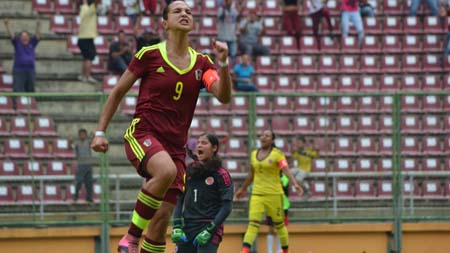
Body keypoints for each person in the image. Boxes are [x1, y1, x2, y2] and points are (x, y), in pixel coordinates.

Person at [90, 1, 232, 253]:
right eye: (177, 11)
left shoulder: (202, 63)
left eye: (188, 11)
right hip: (143, 133)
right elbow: (117, 92)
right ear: (165, 23)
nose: (185, 13)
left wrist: (223, 65)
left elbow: (222, 95)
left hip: (175, 148)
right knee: (165, 171)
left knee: (161, 220)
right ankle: (131, 237)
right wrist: (100, 132)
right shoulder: (149, 54)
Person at [234, 130, 302, 253]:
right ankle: (244, 251)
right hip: (257, 194)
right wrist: (242, 189)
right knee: (253, 223)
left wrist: (295, 184)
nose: (263, 137)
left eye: (267, 135)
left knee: (279, 225)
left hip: (274, 194)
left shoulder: (278, 154)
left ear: (272, 140)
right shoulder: (254, 154)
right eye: (261, 135)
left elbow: (286, 170)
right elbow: (251, 174)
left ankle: (285, 250)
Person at [171, 133, 234, 253]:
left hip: (209, 226)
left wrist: (211, 229)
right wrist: (177, 226)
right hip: (187, 227)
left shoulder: (221, 174)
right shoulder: (188, 171)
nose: (199, 145)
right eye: (198, 143)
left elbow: (227, 207)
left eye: (204, 143)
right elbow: (179, 200)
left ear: (214, 148)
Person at [3, 17, 40, 92]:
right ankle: (16, 104)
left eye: (26, 36)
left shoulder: (32, 43)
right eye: (22, 36)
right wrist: (7, 25)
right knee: (17, 90)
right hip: (18, 71)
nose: (24, 38)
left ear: (29, 38)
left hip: (30, 71)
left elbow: (37, 36)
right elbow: (12, 35)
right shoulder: (17, 43)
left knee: (30, 91)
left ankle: (29, 104)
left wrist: (38, 25)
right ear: (20, 38)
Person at [266, 172, 290, 253]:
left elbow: (286, 193)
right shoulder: (269, 177)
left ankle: (279, 251)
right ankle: (269, 251)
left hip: (283, 206)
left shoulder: (285, 179)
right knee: (271, 229)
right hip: (271, 205)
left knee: (281, 229)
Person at [77, 0, 100, 84]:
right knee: (89, 58)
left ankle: (83, 76)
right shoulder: (88, 9)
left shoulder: (83, 8)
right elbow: (96, 3)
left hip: (83, 38)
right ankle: (87, 76)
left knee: (86, 58)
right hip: (86, 38)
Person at [71, 129, 94, 203]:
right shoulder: (77, 143)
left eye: (84, 134)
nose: (82, 136)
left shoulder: (88, 142)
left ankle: (89, 197)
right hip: (80, 165)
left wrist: (93, 136)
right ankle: (76, 196)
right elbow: (71, 147)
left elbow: (94, 141)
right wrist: (69, 141)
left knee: (89, 182)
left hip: (88, 164)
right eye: (81, 134)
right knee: (79, 181)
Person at [217, 0, 240, 64]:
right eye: (227, 1)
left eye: (230, 1)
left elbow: (238, 18)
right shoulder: (221, 10)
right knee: (223, 55)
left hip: (232, 37)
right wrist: (224, 8)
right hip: (223, 38)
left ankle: (231, 70)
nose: (229, 2)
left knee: (233, 55)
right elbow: (222, 17)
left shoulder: (234, 11)